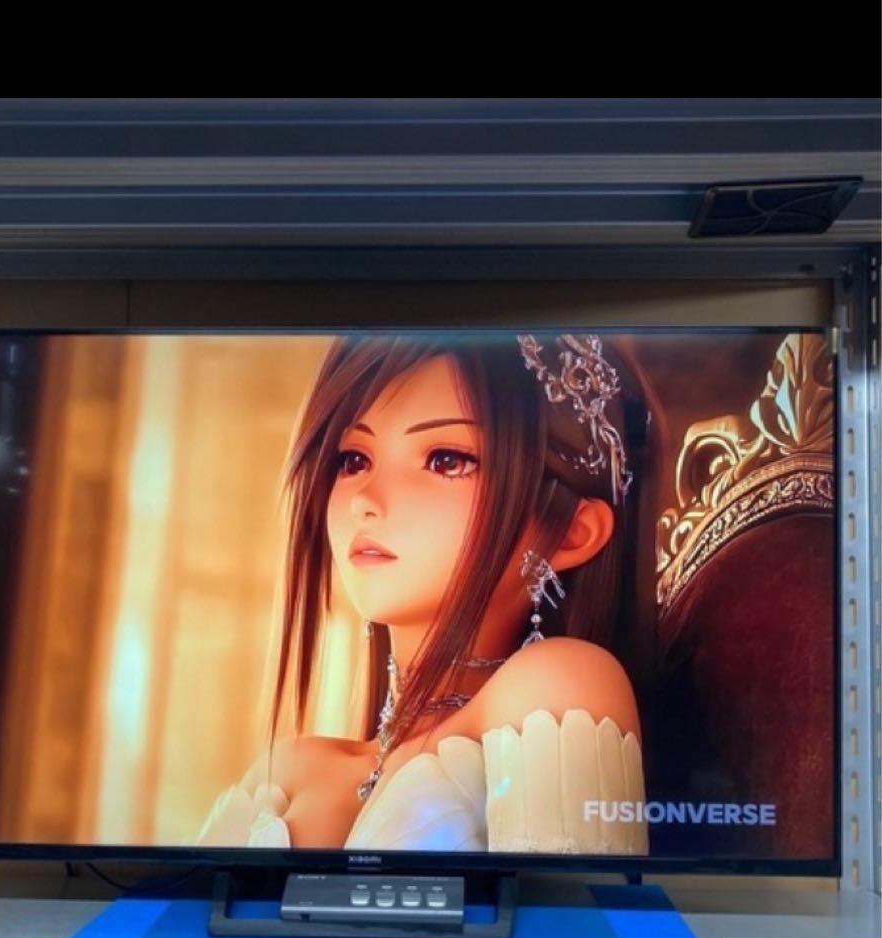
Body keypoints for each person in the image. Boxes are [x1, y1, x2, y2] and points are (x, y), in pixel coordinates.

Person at [197, 333, 649, 855]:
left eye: (446, 460)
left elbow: (568, 908)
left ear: (571, 532)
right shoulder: (287, 772)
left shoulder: (559, 684)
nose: (365, 501)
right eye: (353, 460)